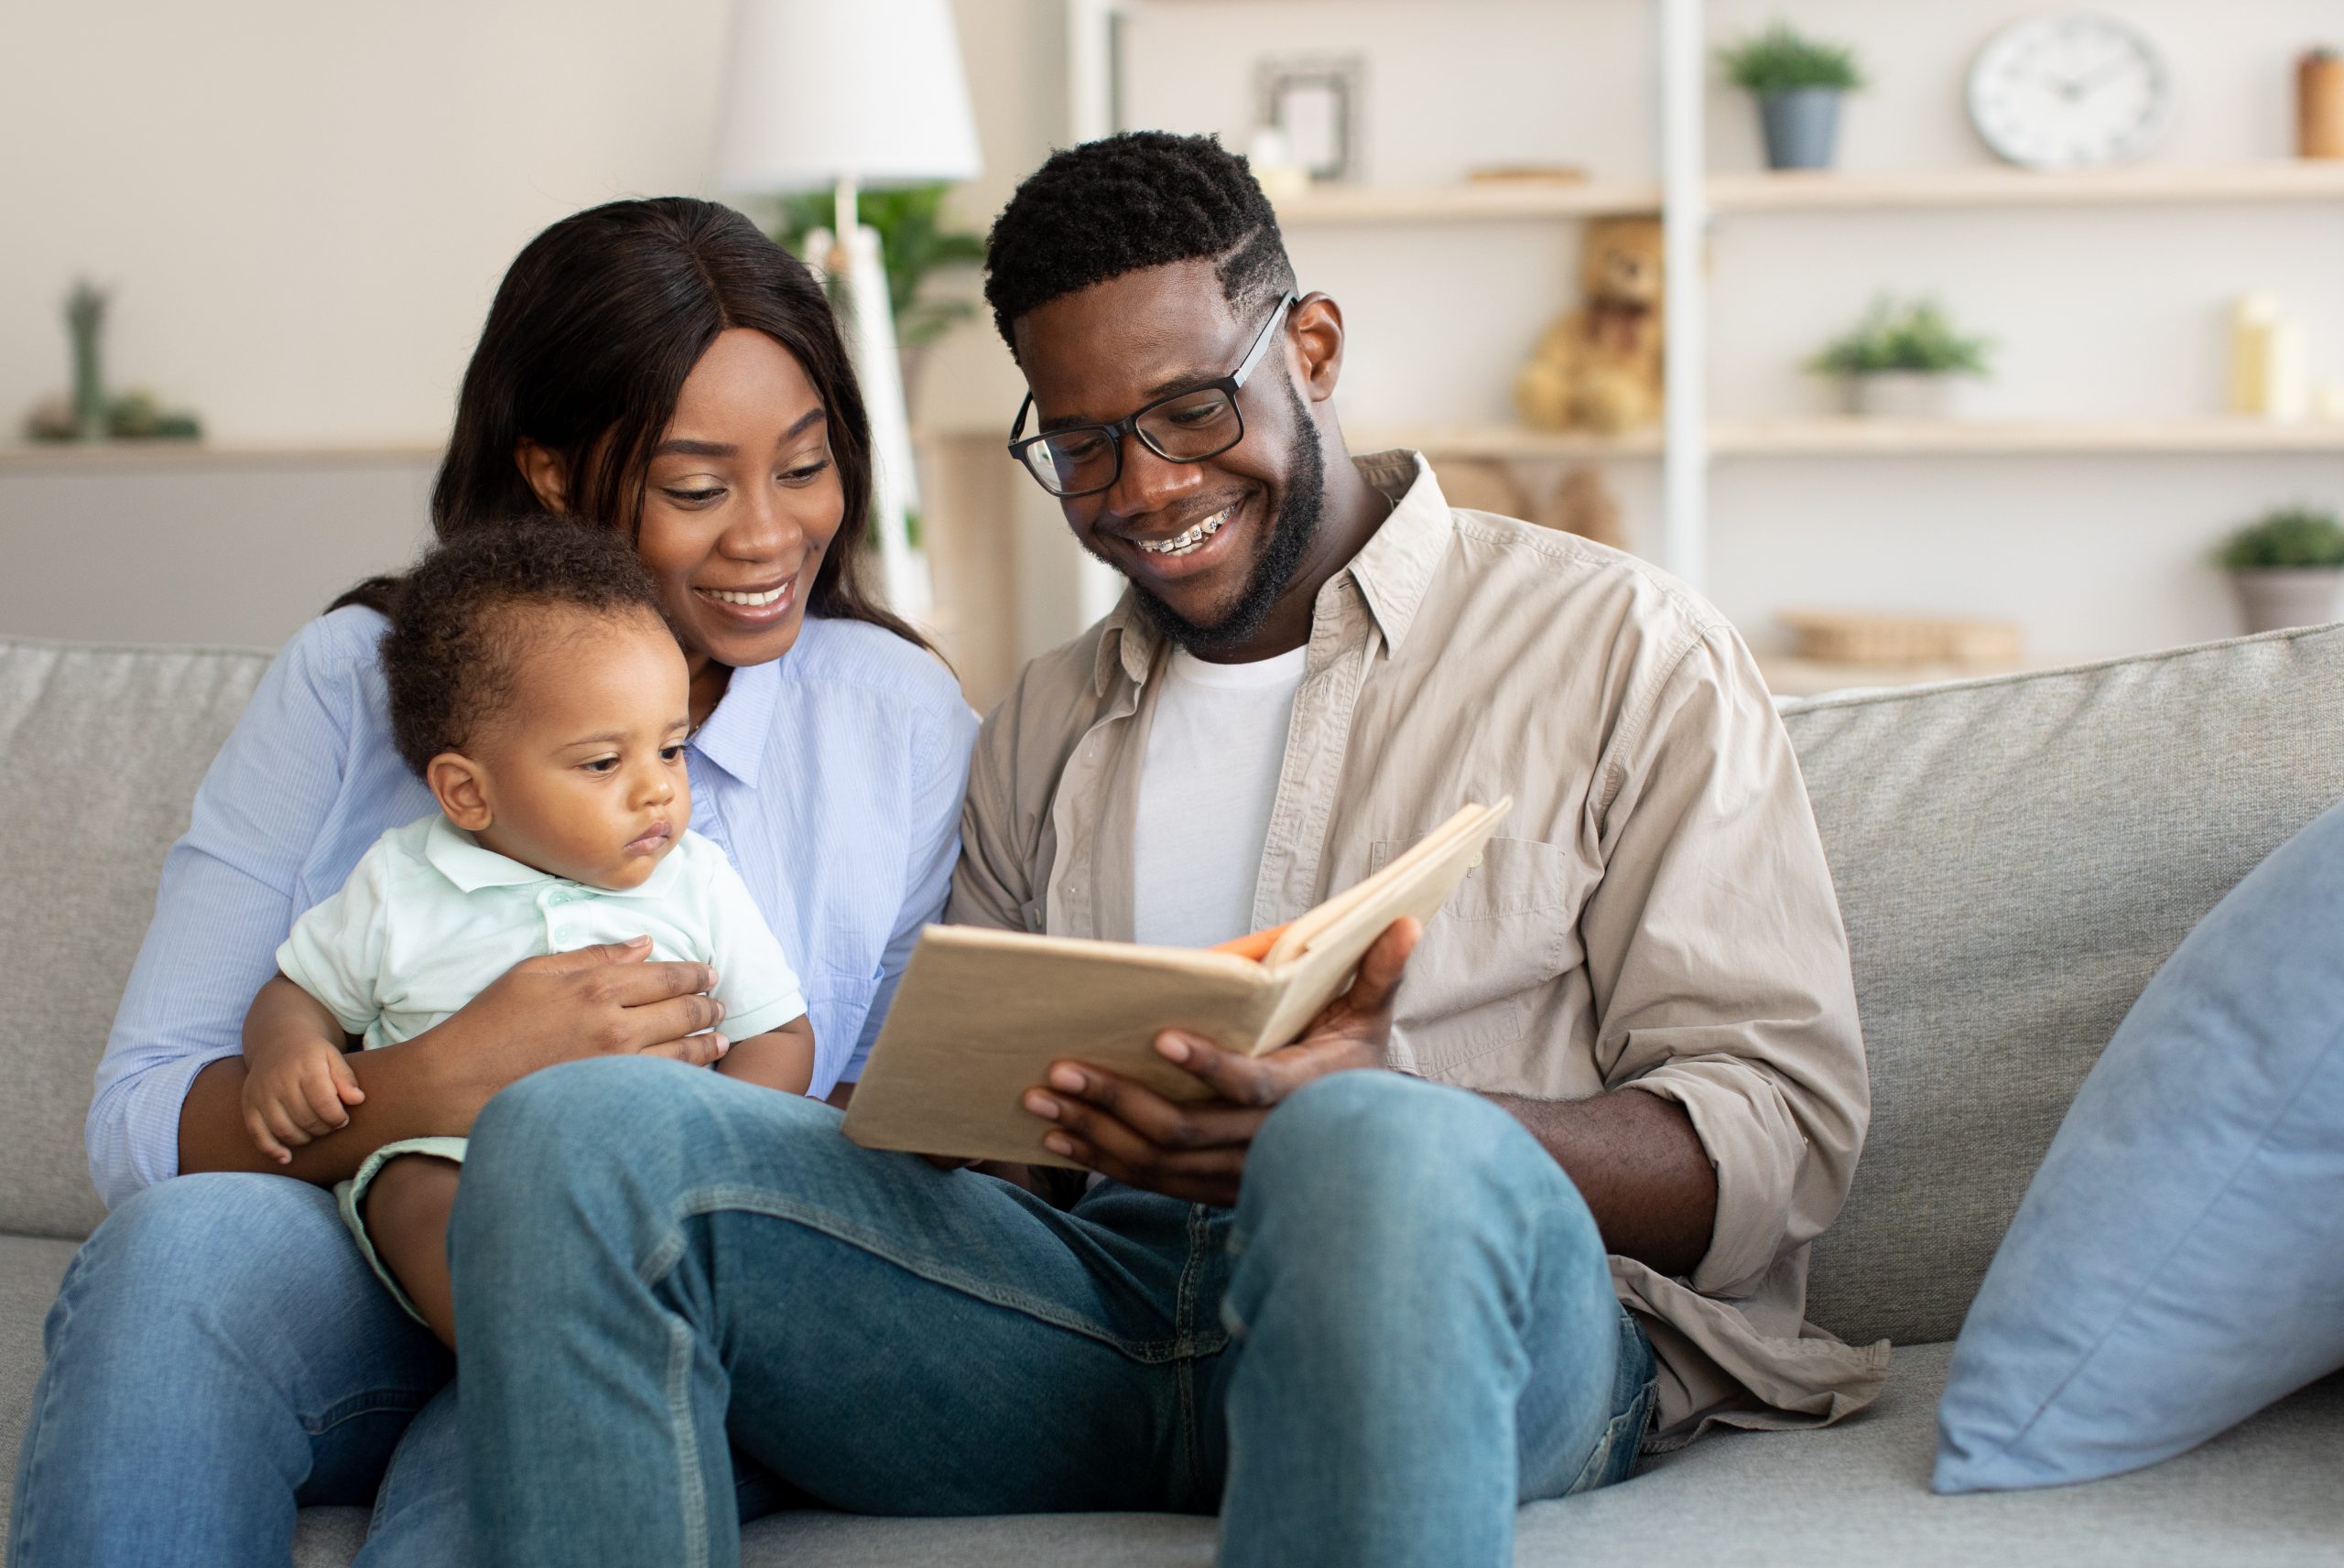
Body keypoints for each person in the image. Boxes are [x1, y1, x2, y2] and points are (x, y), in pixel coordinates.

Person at [444, 134, 1882, 1567]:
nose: (1141, 486)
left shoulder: (1625, 648)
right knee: (578, 1133)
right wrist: (964, 1117)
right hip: (1095, 1323)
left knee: (1368, 1146)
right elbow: (985, 1160)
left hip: (1492, 1324)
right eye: (1079, 444)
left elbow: (1779, 1127)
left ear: (1309, 348)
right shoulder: (1043, 720)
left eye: (1192, 410)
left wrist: (1400, 1112)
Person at [7, 198, 976, 1565]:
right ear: (554, 474)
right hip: (375, 1252)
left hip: (671, 1289)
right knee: (178, 1258)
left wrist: (639, 1161)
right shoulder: (357, 684)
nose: (771, 536)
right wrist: (436, 1083)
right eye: (697, 486)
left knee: (535, 1424)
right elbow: (140, 1117)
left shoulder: (897, 723)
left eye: (806, 467)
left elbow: (897, 1124)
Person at [243, 521, 819, 1346]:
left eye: (670, 748)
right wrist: (287, 1051)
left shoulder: (695, 879)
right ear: (467, 794)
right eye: (601, 764)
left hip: (650, 1168)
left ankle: (637, 1333)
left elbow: (781, 1031)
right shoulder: (401, 882)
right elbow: (298, 993)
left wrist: (718, 1130)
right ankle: (522, 1347)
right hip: (457, 1160)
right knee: (408, 1190)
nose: (656, 791)